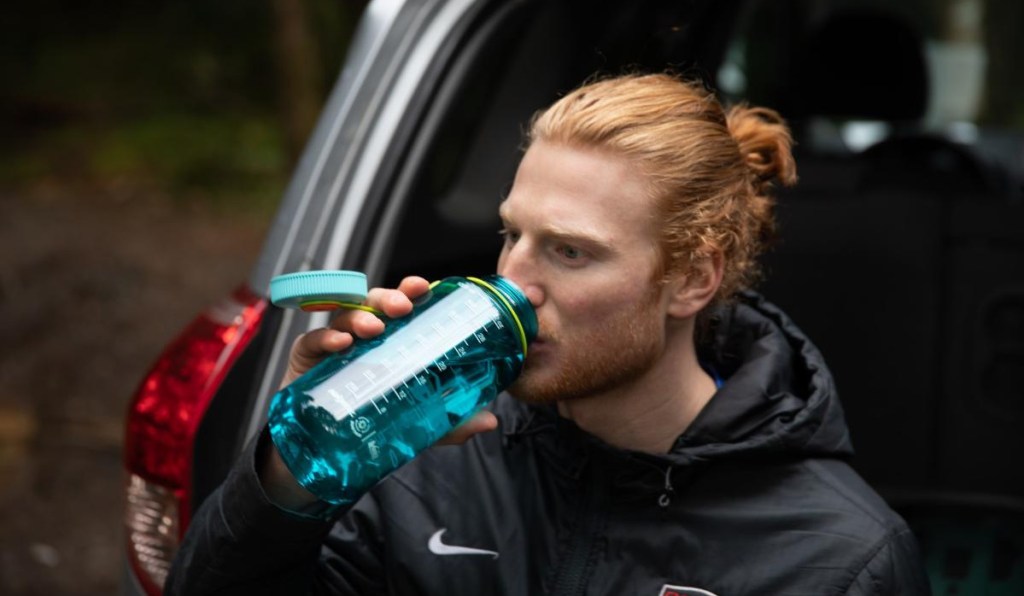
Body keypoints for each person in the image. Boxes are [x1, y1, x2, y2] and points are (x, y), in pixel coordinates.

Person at [166, 73, 930, 595]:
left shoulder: (837, 556)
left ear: (694, 278)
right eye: (511, 237)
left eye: (570, 252)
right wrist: (295, 478)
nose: (513, 285)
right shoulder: (422, 464)